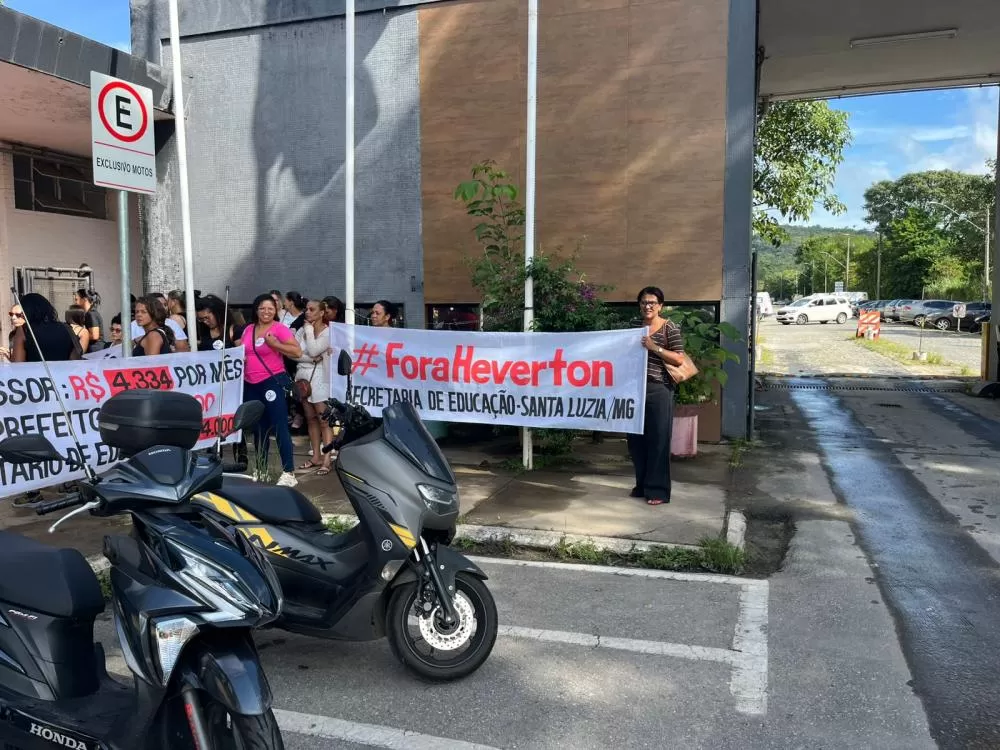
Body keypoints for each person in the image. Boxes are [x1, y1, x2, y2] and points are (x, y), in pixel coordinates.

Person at [626, 286, 685, 506]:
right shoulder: (634, 327)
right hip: (634, 389)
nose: (647, 306)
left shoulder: (669, 328)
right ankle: (642, 485)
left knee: (659, 439)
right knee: (635, 440)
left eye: (652, 302)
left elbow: (679, 359)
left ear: (660, 305)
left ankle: (657, 490)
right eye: (643, 302)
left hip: (659, 389)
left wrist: (654, 347)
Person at [241, 293, 302, 487]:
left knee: (279, 425)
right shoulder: (248, 329)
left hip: (271, 382)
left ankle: (289, 471)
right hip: (251, 383)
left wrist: (275, 344)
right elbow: (243, 352)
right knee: (259, 429)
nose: (266, 312)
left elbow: (297, 351)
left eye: (270, 308)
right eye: (262, 308)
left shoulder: (279, 329)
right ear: (256, 310)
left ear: (275, 310)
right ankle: (261, 468)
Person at [293, 299, 336, 475]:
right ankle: (315, 456)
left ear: (321, 313)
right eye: (306, 309)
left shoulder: (327, 332)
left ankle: (327, 458)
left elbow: (312, 349)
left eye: (312, 309)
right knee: (310, 418)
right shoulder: (301, 330)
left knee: (323, 420)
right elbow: (293, 353)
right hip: (302, 376)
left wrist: (309, 331)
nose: (307, 312)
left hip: (320, 377)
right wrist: (310, 358)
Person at [11, 293, 79, 362]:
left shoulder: (24, 330)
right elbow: (75, 358)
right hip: (63, 371)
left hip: (35, 372)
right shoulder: (67, 328)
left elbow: (18, 362)